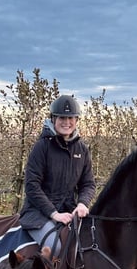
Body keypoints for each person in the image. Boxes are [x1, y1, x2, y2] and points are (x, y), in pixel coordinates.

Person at [19, 95, 96, 256]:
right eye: (62, 118)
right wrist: (54, 214)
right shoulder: (42, 147)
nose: (66, 122)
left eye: (70, 118)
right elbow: (32, 186)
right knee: (55, 247)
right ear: (53, 119)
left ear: (76, 120)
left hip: (69, 211)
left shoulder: (82, 150)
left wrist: (82, 204)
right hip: (38, 213)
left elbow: (88, 183)